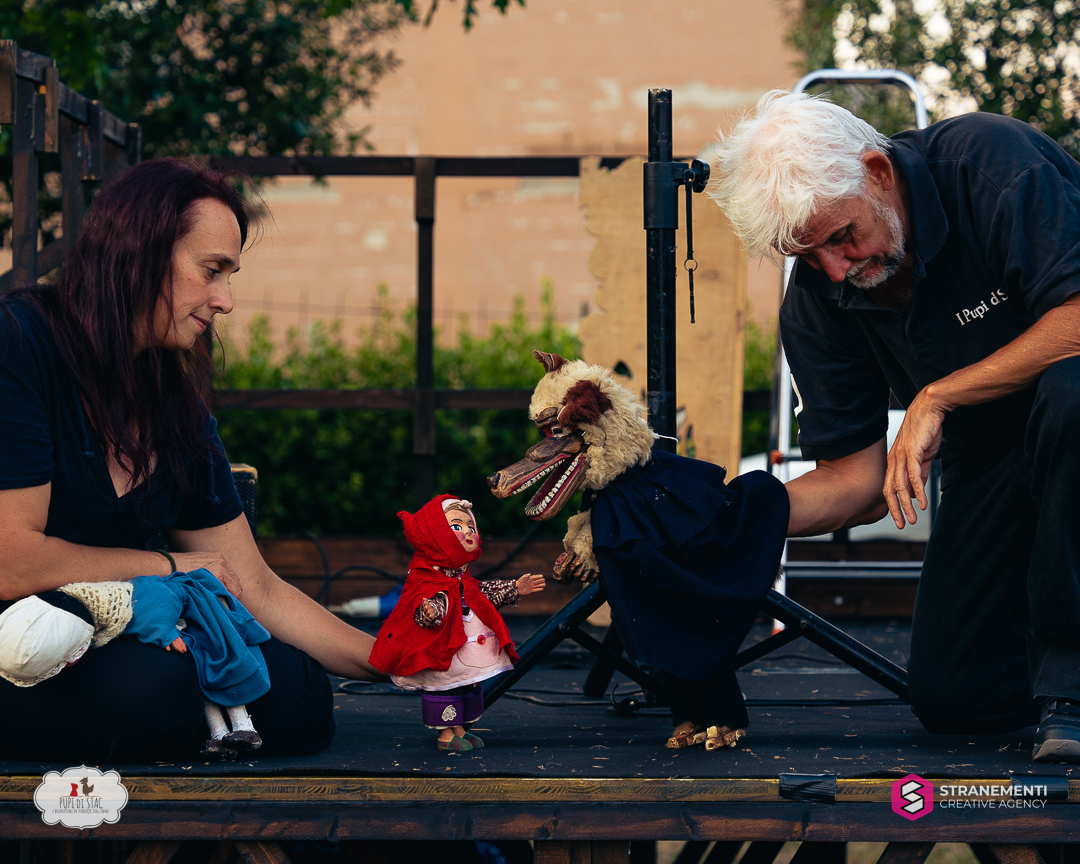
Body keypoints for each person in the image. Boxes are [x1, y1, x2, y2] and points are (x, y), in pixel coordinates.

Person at [709, 90, 1080, 763]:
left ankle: (1071, 682)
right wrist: (724, 517)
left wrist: (937, 397)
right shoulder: (818, 297)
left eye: (840, 237)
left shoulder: (992, 163)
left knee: (1071, 388)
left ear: (877, 172)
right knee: (957, 699)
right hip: (994, 457)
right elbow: (854, 480)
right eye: (806, 255)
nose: (835, 269)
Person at [0, 158, 383, 763]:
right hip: (21, 639)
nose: (224, 301)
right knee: (154, 691)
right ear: (141, 254)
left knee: (298, 691)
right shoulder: (19, 344)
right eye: (212, 271)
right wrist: (169, 565)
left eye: (229, 276)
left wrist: (397, 661)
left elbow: (254, 585)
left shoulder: (173, 404)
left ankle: (203, 723)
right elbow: (11, 560)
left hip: (116, 636)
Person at [368, 496, 544, 753]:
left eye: (471, 526)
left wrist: (514, 588)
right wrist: (430, 612)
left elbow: (481, 593)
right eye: (457, 526)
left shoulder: (461, 575)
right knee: (444, 686)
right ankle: (445, 734)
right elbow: (422, 605)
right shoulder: (425, 576)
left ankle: (460, 729)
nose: (469, 532)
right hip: (442, 648)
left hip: (465, 645)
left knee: (466, 684)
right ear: (434, 534)